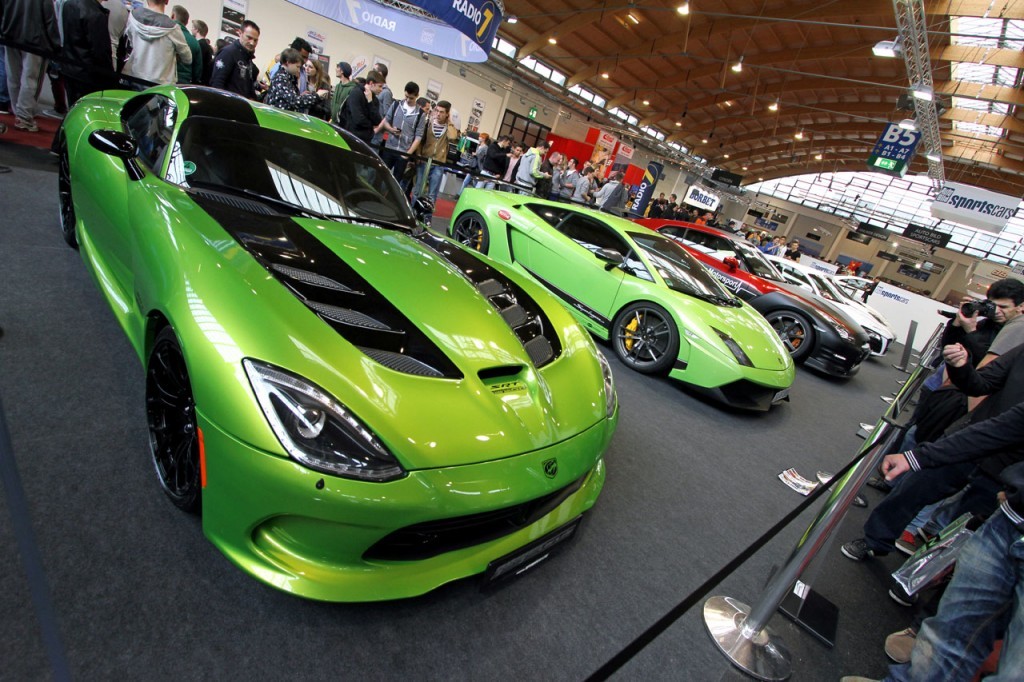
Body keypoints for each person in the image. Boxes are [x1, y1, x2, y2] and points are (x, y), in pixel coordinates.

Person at [841, 403, 1024, 682]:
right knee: (949, 632)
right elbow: (1006, 424)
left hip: (1003, 499)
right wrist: (918, 457)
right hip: (1009, 520)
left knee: (1014, 671)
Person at [1, 0, 59, 132]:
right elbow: (49, 18)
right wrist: (56, 45)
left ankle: (19, 112)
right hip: (35, 40)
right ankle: (24, 116)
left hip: (10, 35)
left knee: (13, 77)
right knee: (31, 79)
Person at [58, 0, 116, 107]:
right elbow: (100, 51)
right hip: (87, 76)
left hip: (69, 67)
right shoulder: (95, 14)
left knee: (73, 107)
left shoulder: (69, 4)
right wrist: (110, 78)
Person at [122, 0, 192, 86]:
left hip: (134, 77)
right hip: (160, 85)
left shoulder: (132, 17)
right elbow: (188, 59)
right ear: (167, 1)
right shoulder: (174, 29)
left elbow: (131, 42)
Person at [411, 99, 459, 206]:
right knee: (418, 191)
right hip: (424, 161)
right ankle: (413, 211)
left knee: (432, 195)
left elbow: (453, 137)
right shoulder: (429, 122)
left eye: (442, 112)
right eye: (437, 110)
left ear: (447, 114)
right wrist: (418, 155)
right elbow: (420, 140)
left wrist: (449, 122)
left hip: (438, 164)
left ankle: (427, 215)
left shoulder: (448, 127)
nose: (438, 114)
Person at [379, 81, 427, 186]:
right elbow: (386, 120)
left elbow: (418, 136)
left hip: (404, 153)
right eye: (406, 96)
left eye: (411, 98)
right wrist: (391, 129)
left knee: (395, 184)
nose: (408, 100)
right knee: (380, 178)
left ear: (417, 96)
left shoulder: (421, 114)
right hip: (389, 148)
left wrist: (408, 154)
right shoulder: (396, 105)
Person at [262, 48, 326, 113]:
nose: (298, 70)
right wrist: (317, 96)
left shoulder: (288, 78)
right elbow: (294, 101)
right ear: (288, 63)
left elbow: (290, 98)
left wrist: (300, 96)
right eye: (297, 67)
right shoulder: (281, 78)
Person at [209, 20, 260, 99]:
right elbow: (217, 83)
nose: (252, 43)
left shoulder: (247, 58)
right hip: (227, 103)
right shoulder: (228, 53)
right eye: (249, 38)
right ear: (240, 33)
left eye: (255, 40)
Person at [341, 68, 384, 146]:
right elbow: (358, 119)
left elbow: (377, 121)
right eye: (380, 86)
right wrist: (371, 125)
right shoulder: (356, 93)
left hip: (366, 140)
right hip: (352, 137)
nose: (381, 89)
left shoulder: (375, 100)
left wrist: (370, 101)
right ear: (371, 83)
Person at [169, 5, 200, 84]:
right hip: (184, 84)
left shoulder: (166, 33)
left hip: (165, 81)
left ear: (172, 15)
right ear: (187, 22)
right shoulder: (195, 42)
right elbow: (197, 71)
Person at [330, 61, 356, 125]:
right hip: (333, 122)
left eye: (338, 67)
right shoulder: (337, 86)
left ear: (342, 71)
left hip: (343, 124)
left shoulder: (352, 89)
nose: (336, 69)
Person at [190, 19, 213, 85]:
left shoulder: (200, 45)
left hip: (197, 81)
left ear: (197, 30)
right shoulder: (207, 46)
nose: (191, 29)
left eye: (192, 27)